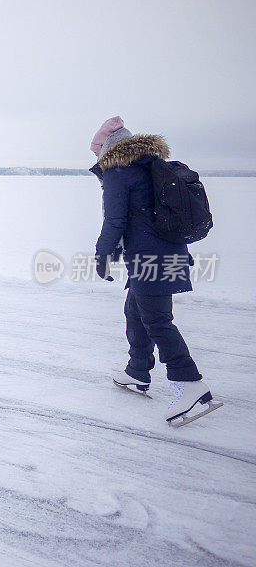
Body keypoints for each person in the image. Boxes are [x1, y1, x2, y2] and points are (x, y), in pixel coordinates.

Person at [88, 116, 219, 425]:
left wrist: (102, 256)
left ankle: (190, 385)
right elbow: (140, 216)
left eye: (96, 152)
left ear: (108, 148)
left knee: (157, 321)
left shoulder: (119, 173)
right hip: (167, 254)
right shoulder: (149, 166)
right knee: (136, 310)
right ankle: (137, 370)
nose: (96, 158)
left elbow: (115, 221)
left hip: (150, 260)